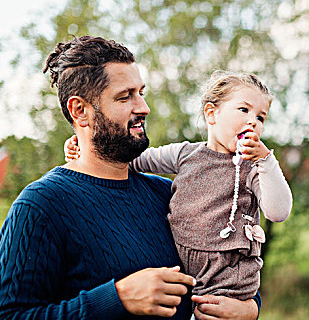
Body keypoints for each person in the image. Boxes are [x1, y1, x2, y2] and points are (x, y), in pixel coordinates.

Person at [0, 36, 260, 319]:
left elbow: (231, 261)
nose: (144, 108)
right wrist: (117, 298)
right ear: (80, 111)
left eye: (141, 92)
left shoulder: (169, 194)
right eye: (125, 96)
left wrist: (249, 308)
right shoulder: (41, 206)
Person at [65, 71, 293, 314]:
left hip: (228, 278)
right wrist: (85, 145)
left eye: (261, 118)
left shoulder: (252, 168)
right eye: (244, 110)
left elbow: (278, 212)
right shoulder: (186, 155)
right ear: (211, 114)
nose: (253, 122)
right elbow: (133, 160)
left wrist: (266, 160)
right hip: (186, 270)